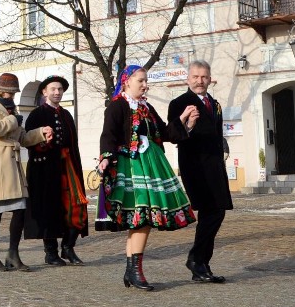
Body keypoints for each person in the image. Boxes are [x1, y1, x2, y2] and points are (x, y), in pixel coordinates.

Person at [98, 65, 198, 290]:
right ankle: (135, 271)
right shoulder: (117, 106)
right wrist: (106, 158)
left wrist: (183, 120)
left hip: (150, 164)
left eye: (145, 81)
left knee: (140, 219)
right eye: (141, 81)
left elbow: (164, 133)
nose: (145, 85)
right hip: (131, 166)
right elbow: (108, 135)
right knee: (141, 218)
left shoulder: (147, 107)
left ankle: (131, 271)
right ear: (126, 82)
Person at [0, 73, 52, 271]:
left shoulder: (12, 110)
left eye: (13, 94)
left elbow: (23, 138)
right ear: (0, 91)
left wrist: (41, 133)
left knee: (19, 210)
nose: (12, 97)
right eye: (9, 93)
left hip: (12, 167)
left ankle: (13, 254)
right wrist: (12, 119)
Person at [168, 60, 233, 283]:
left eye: (204, 77)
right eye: (195, 77)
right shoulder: (179, 103)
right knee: (211, 211)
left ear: (210, 78)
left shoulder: (214, 104)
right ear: (188, 79)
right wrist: (188, 126)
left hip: (214, 166)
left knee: (217, 212)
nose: (200, 81)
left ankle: (200, 263)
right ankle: (197, 260)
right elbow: (172, 133)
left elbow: (216, 133)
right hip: (195, 166)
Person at [24, 75, 89, 266]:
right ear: (44, 92)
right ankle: (50, 252)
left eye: (60, 89)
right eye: (53, 89)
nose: (57, 92)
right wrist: (43, 142)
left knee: (76, 206)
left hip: (67, 168)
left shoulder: (66, 115)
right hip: (45, 170)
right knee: (49, 209)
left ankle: (68, 247)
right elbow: (28, 140)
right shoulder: (36, 115)